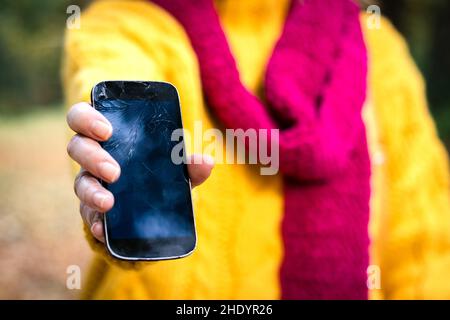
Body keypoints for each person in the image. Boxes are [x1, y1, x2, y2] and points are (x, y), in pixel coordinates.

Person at [64, 0, 450, 299]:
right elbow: (111, 77)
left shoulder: (376, 47)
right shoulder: (125, 26)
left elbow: (425, 246)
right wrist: (110, 193)